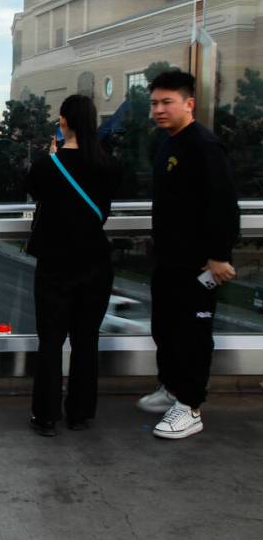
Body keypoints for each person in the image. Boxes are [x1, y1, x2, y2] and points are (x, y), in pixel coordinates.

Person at [138, 70, 239, 439]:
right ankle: (172, 388)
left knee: (194, 335)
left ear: (189, 104)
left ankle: (191, 406)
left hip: (198, 265)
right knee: (165, 329)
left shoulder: (204, 146)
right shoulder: (168, 143)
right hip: (168, 261)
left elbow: (224, 204)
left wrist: (218, 255)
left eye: (167, 102)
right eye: (154, 103)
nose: (159, 110)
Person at [25, 94, 121, 436]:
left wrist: (50, 157)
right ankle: (80, 413)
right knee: (86, 340)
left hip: (55, 264)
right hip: (95, 263)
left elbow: (36, 193)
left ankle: (46, 416)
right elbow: (104, 210)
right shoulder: (108, 165)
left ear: (63, 121)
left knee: (50, 341)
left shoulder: (46, 166)